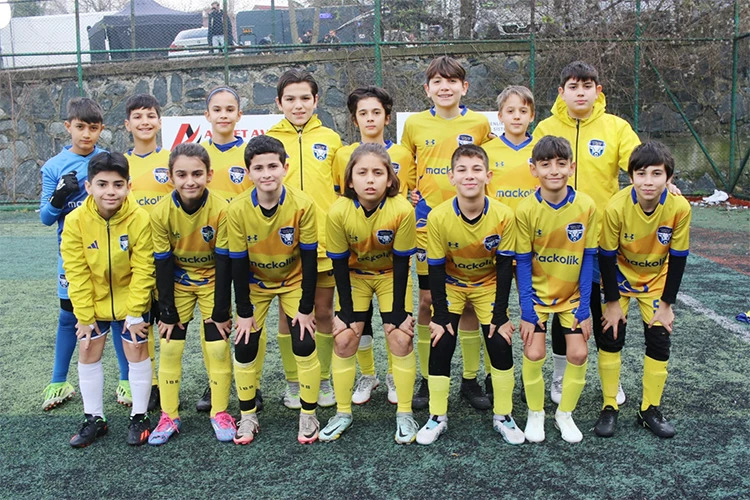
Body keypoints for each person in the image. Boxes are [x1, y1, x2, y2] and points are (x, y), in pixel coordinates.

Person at [534, 61, 641, 405]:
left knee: (606, 306)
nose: (580, 93)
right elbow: (531, 172)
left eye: (587, 86)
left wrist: (667, 183)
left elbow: (639, 165)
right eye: (573, 87)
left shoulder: (616, 127)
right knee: (560, 307)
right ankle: (559, 375)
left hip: (602, 238)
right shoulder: (546, 128)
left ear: (598, 91)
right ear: (561, 92)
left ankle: (611, 379)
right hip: (556, 239)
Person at [401, 55, 494, 411]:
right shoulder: (414, 125)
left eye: (452, 81)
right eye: (437, 82)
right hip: (428, 228)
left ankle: (470, 379)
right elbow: (407, 169)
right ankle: (428, 377)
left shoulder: (479, 123)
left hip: (471, 226)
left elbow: (487, 168)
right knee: (427, 301)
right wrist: (412, 193)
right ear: (427, 89)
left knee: (469, 300)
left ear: (464, 87)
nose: (445, 87)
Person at [416, 144, 521, 446]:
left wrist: (500, 315)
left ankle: (503, 415)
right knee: (441, 340)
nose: (469, 175)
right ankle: (437, 415)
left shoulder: (504, 215)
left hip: (487, 284)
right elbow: (435, 268)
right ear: (451, 177)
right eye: (462, 170)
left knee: (500, 340)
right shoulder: (438, 216)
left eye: (476, 169)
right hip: (452, 284)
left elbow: (504, 268)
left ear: (488, 176)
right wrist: (440, 315)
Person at [226, 135, 321, 444]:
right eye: (258, 168)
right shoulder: (237, 209)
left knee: (304, 341)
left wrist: (305, 308)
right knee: (244, 344)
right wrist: (243, 312)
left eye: (272, 166)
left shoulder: (303, 204)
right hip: (255, 284)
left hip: (292, 281)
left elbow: (309, 260)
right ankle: (248, 415)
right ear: (248, 173)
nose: (266, 174)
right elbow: (237, 264)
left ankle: (308, 414)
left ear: (285, 168)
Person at [321, 143, 418, 443]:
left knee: (400, 337)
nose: (370, 179)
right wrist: (346, 314)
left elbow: (401, 263)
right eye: (362, 173)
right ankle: (342, 413)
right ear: (350, 180)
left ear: (390, 179)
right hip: (355, 276)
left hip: (390, 275)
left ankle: (405, 413)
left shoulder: (402, 209)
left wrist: (398, 314)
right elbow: (339, 263)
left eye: (378, 172)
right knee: (344, 337)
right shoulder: (338, 211)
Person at [40, 98, 131, 411]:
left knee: (117, 315)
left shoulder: (107, 161)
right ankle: (58, 381)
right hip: (73, 256)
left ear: (101, 129)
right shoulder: (53, 166)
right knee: (69, 316)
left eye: (93, 128)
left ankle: (126, 379)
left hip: (110, 254)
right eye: (80, 127)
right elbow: (45, 217)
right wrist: (59, 197)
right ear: (68, 127)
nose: (86, 134)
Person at [595, 141, 690, 439]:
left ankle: (649, 410)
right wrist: (612, 303)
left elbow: (678, 257)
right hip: (620, 280)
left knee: (660, 340)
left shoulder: (679, 208)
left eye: (656, 174)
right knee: (611, 338)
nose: (648, 181)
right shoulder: (616, 207)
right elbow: (606, 257)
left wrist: (667, 304)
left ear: (669, 178)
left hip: (656, 281)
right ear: (631, 176)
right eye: (641, 173)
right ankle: (609, 405)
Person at [60, 151, 155, 447]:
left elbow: (144, 268)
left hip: (132, 299)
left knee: (136, 349)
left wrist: (136, 312)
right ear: (89, 186)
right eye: (102, 184)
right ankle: (94, 418)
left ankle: (140, 416)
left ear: (129, 186)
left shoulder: (140, 218)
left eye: (117, 184)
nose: (110, 191)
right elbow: (76, 271)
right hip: (94, 300)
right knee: (88, 348)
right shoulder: (75, 220)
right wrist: (84, 316)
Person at [331, 86, 416, 405]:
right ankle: (367, 376)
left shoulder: (403, 156)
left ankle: (396, 377)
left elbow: (412, 193)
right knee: (353, 326)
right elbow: (340, 196)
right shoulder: (342, 158)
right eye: (363, 113)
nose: (370, 118)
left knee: (398, 329)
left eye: (376, 112)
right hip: (356, 266)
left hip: (391, 258)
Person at [147, 143, 235, 446]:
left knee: (218, 347)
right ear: (170, 176)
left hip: (212, 283)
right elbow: (162, 262)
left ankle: (220, 412)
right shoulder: (161, 212)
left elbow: (224, 261)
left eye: (197, 174)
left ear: (209, 175)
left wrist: (221, 311)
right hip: (178, 284)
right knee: (170, 347)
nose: (190, 181)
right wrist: (166, 311)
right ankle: (169, 415)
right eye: (181, 174)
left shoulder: (222, 209)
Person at [267, 69, 342, 410]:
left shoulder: (331, 139)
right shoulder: (270, 140)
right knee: (289, 315)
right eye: (290, 99)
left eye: (304, 98)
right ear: (279, 102)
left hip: (324, 243)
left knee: (323, 311)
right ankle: (293, 381)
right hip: (282, 246)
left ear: (316, 101)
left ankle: (322, 379)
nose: (298, 105)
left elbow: (341, 190)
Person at [515, 136, 598, 444]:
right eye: (546, 164)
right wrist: (527, 311)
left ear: (571, 168)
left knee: (578, 353)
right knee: (534, 351)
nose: (554, 170)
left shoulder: (586, 206)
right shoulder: (525, 209)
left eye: (561, 164)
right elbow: (523, 263)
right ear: (533, 169)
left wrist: (584, 308)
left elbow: (588, 259)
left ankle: (565, 414)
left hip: (571, 298)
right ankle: (535, 413)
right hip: (537, 299)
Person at [197, 85, 252, 411]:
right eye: (217, 109)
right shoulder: (198, 154)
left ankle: (251, 382)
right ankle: (214, 381)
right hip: (209, 253)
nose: (223, 115)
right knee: (213, 317)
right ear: (207, 115)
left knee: (248, 315)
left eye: (229, 109)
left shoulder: (248, 154)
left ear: (239, 115)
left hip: (246, 250)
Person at [124, 93, 172, 412]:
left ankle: (172, 380)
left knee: (172, 322)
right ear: (127, 125)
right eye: (138, 117)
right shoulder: (121, 164)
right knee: (142, 320)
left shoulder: (171, 160)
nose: (145, 122)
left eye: (150, 115)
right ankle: (151, 384)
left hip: (169, 255)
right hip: (134, 258)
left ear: (159, 122)